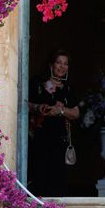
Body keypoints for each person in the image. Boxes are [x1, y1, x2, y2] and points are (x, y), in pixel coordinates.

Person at [28, 49, 80, 197]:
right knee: (39, 174)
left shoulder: (69, 88)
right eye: (58, 62)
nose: (62, 66)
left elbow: (76, 113)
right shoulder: (37, 83)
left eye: (65, 64)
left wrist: (61, 111)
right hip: (39, 137)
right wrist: (38, 108)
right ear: (51, 64)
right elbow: (24, 103)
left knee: (57, 178)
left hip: (60, 140)